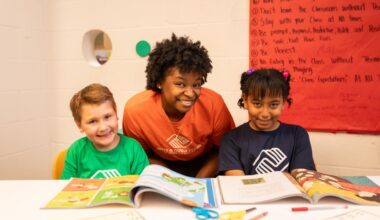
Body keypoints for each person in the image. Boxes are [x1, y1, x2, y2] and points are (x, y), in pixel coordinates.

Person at [123, 34, 235, 178]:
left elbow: (224, 151)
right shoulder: (135, 111)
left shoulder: (214, 104)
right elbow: (142, 155)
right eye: (180, 84)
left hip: (205, 163)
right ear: (159, 82)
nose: (190, 93)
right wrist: (173, 181)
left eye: (196, 84)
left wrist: (197, 182)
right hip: (161, 164)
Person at [218, 68, 315, 176]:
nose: (265, 113)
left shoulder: (298, 135)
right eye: (257, 104)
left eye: (273, 105)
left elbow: (302, 178)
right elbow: (238, 183)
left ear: (283, 102)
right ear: (245, 101)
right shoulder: (231, 140)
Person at [61, 83, 149, 179]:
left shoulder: (133, 149)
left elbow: (143, 188)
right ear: (79, 125)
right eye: (92, 121)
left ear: (116, 114)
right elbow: (65, 188)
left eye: (107, 117)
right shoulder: (76, 151)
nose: (103, 128)